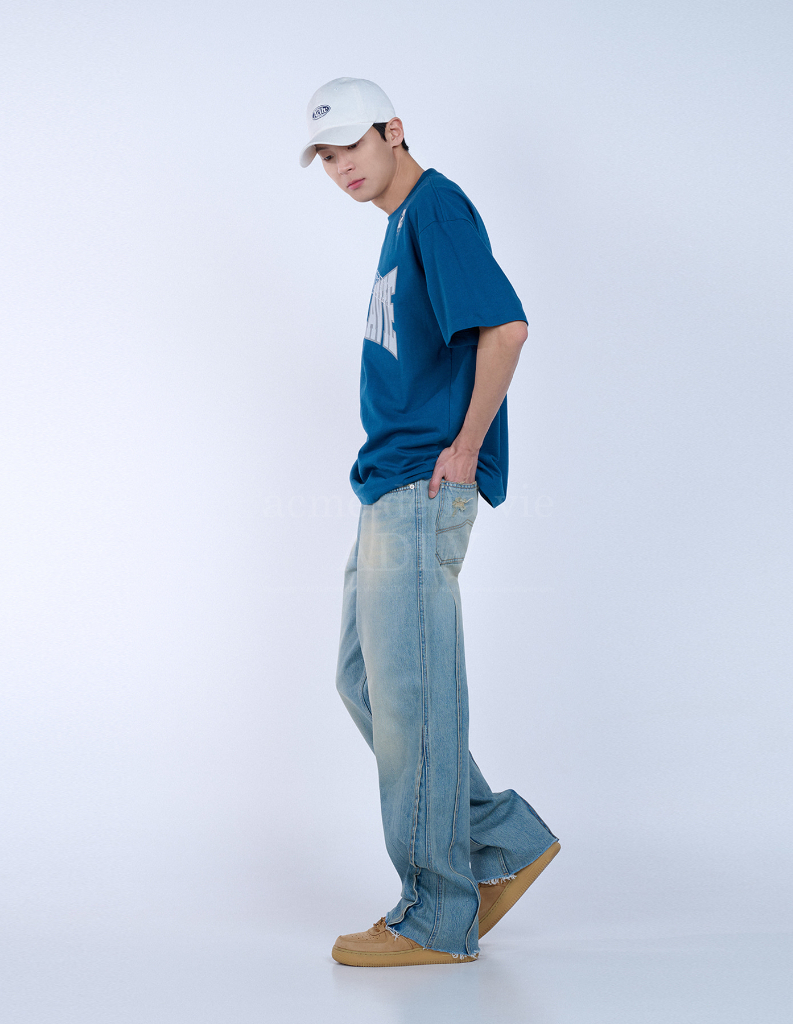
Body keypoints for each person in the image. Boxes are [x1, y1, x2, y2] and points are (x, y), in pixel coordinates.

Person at [300, 77, 559, 967]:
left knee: (412, 696)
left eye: (352, 146)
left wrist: (465, 450)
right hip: (388, 485)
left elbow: (506, 330)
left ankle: (438, 914)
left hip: (421, 482)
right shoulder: (400, 225)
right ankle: (500, 839)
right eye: (326, 157)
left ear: (394, 131)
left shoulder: (436, 210)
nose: (341, 167)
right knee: (365, 682)